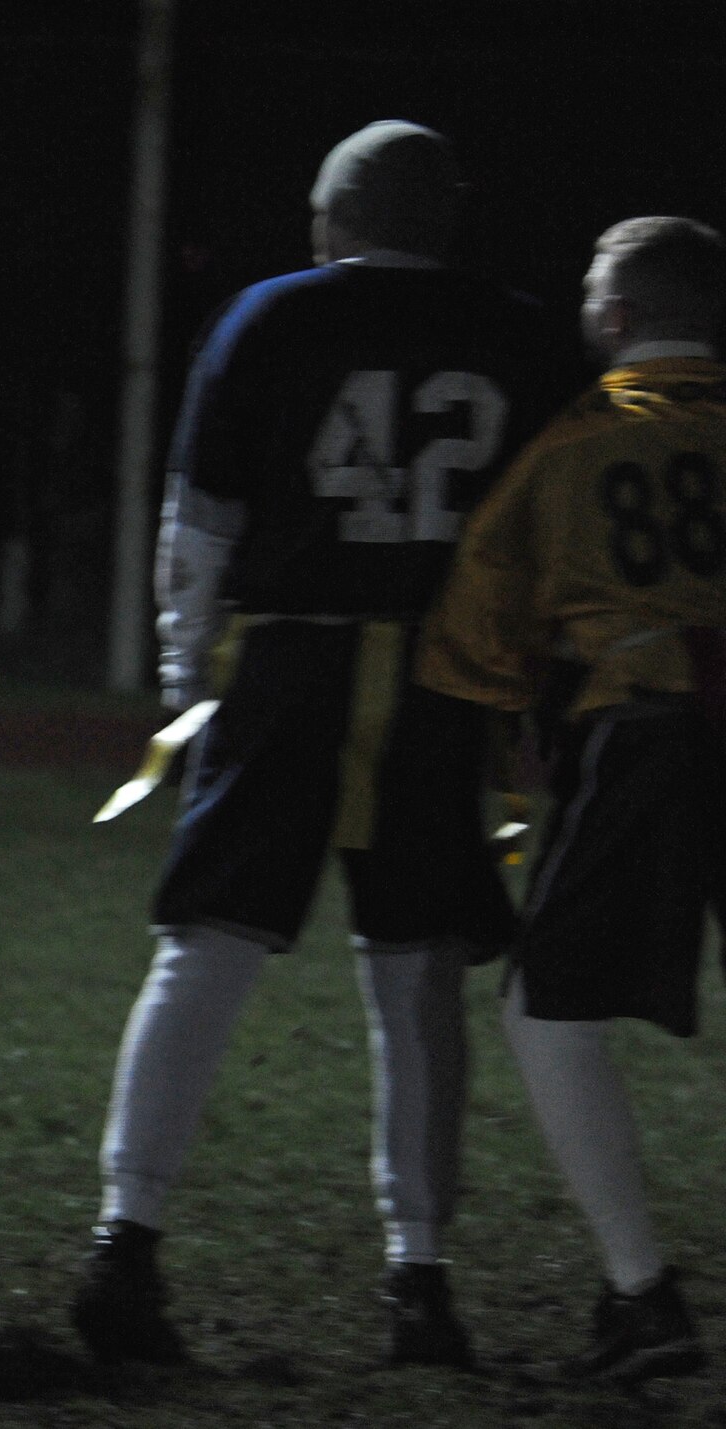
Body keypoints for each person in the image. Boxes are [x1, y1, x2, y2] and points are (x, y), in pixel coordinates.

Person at [72, 121, 574, 1367]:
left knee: (202, 952)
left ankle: (122, 1240)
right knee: (412, 974)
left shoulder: (265, 319)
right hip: (434, 678)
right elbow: (538, 546)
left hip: (288, 668)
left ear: (331, 219)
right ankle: (419, 1276)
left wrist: (193, 687)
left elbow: (198, 527)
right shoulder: (516, 334)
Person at [416, 215, 726, 1384]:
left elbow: (470, 640)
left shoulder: (564, 450)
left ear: (616, 317)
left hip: (642, 731)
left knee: (545, 1011)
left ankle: (642, 1294)